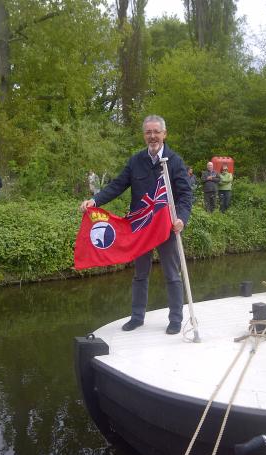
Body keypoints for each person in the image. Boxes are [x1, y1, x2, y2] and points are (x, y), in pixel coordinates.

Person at [80, 114, 192, 335]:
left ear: (164, 134)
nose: (152, 136)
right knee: (140, 274)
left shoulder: (174, 161)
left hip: (166, 227)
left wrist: (181, 218)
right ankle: (137, 317)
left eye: (156, 132)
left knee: (172, 274)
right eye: (148, 132)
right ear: (144, 135)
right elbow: (118, 185)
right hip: (140, 227)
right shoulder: (135, 161)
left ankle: (176, 319)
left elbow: (186, 195)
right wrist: (95, 200)